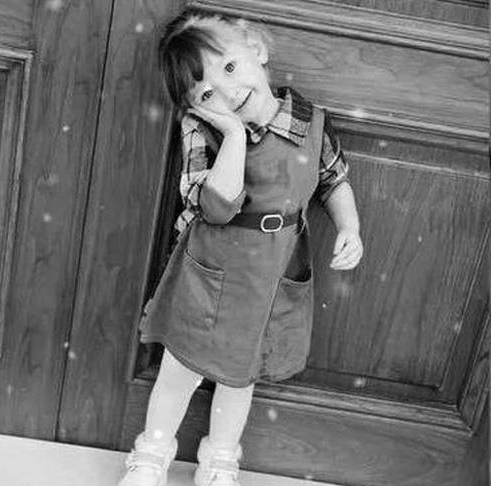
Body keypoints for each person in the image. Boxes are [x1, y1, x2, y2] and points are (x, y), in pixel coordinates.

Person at [119, 10, 363, 486]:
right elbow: (215, 206)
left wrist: (349, 227)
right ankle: (151, 454)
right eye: (207, 93)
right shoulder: (202, 130)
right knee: (179, 369)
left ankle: (220, 460)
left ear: (256, 48)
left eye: (229, 68)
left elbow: (333, 180)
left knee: (240, 376)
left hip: (269, 276)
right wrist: (232, 134)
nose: (228, 93)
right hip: (209, 272)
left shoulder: (311, 123)